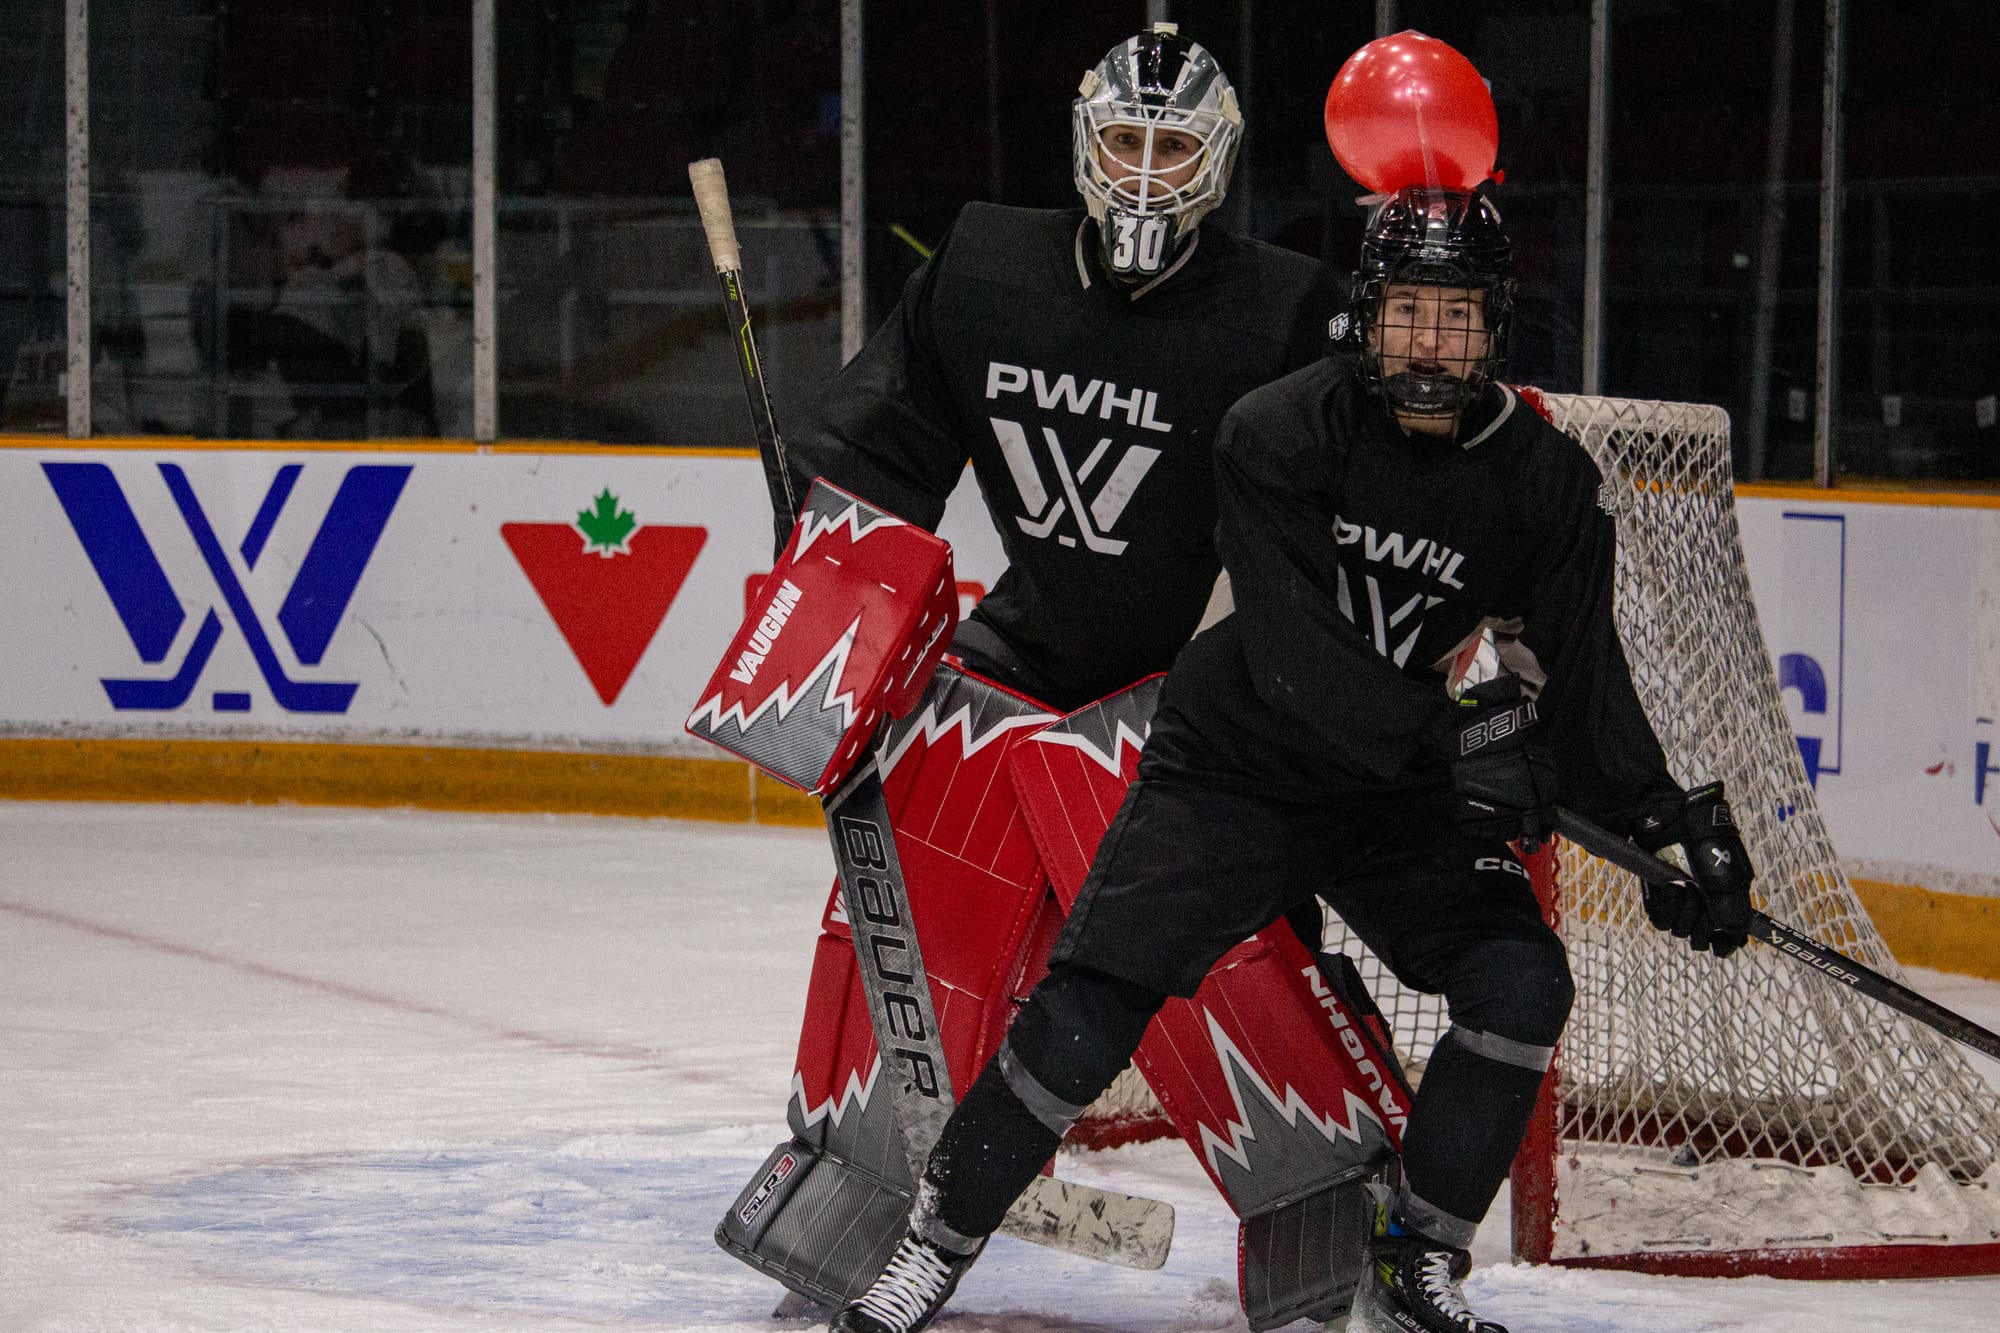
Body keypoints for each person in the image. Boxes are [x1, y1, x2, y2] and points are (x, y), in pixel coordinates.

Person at [828, 186, 1758, 1333]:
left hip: (1391, 793)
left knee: (1520, 985)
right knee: (1088, 1010)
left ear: (1493, 324)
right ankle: (933, 1244)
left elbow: (1578, 678)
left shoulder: (1543, 482)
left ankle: (1416, 1252)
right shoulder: (1277, 430)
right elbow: (1291, 658)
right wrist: (1459, 739)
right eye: (1408, 312)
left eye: (1455, 316)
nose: (1428, 343)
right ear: (1363, 315)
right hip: (1232, 766)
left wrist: (1662, 823)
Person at [716, 22, 1339, 1309]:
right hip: (1030, 649)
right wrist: (822, 535)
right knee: (908, 918)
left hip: (1194, 693)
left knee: (1225, 956)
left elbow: (1337, 523)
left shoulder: (1287, 313)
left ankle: (1325, 1204)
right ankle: (864, 1184)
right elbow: (877, 453)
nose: (1149, 171)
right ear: (1082, 145)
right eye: (1125, 140)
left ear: (1219, 160)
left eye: (1175, 145)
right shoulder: (988, 268)